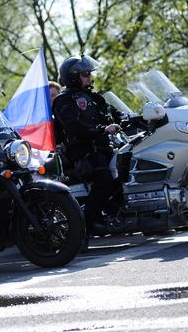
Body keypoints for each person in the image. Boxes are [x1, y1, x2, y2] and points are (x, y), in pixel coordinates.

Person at [52, 55, 121, 251]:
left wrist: (139, 118)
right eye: (84, 74)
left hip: (105, 148)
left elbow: (114, 114)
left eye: (89, 73)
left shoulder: (94, 97)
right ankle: (81, 232)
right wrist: (102, 130)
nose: (89, 77)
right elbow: (75, 126)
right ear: (72, 77)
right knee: (104, 180)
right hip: (85, 154)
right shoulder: (64, 100)